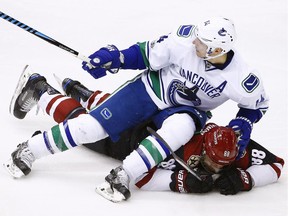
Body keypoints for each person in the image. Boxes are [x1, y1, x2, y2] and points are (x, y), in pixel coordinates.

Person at [5, 16, 269, 200]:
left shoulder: (241, 78)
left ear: (217, 49)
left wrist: (243, 123)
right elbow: (146, 54)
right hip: (150, 90)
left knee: (180, 129)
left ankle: (124, 175)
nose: (195, 43)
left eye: (202, 43)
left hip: (187, 110)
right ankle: (29, 150)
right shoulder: (185, 40)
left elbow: (255, 105)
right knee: (92, 128)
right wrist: (115, 58)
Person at [5, 74, 283, 203]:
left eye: (226, 164)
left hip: (156, 118)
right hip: (132, 143)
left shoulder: (234, 146)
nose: (220, 168)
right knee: (80, 125)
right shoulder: (187, 148)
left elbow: (276, 165)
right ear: (205, 147)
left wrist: (246, 179)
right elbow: (140, 176)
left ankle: (82, 91)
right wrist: (180, 182)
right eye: (213, 162)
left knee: (108, 107)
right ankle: (41, 89)